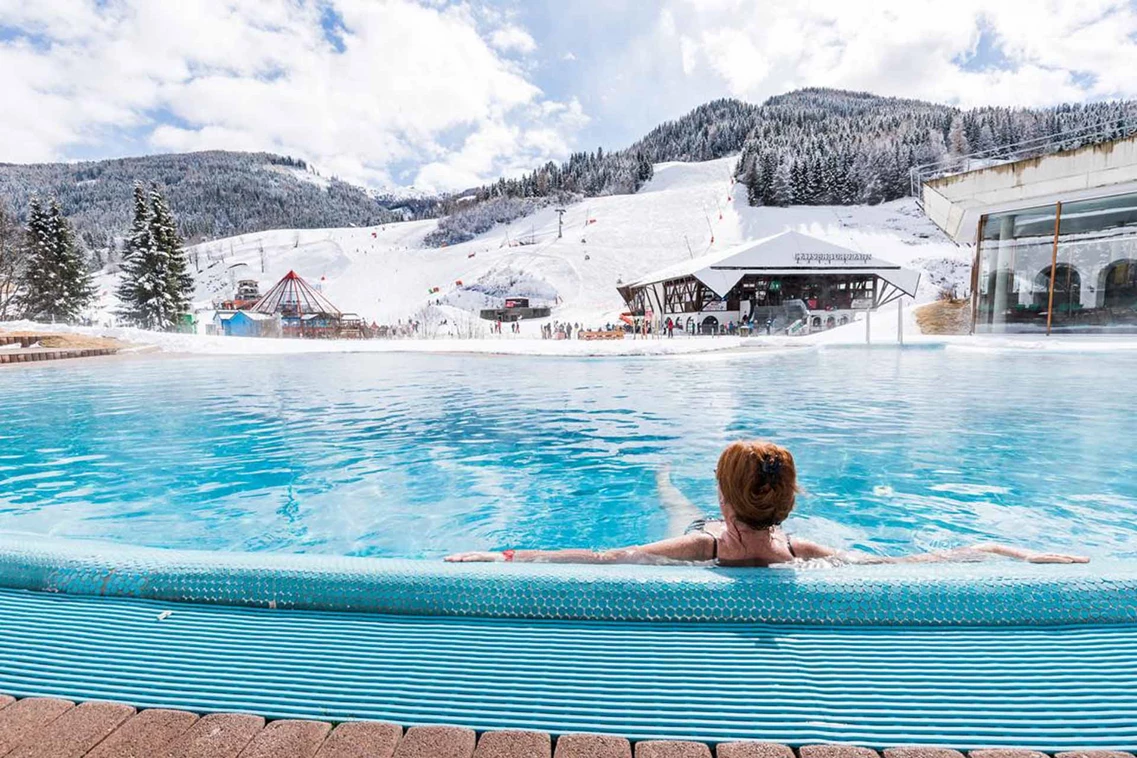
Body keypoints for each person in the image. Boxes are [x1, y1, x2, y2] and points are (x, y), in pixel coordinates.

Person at [446, 440, 1089, 567]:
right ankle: (666, 480)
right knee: (677, 504)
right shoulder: (801, 549)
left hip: (701, 532)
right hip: (746, 527)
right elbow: (920, 560)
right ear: (784, 505)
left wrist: (505, 554)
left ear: (728, 504)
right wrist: (1014, 550)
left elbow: (602, 556)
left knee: (673, 506)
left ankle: (663, 477)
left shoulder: (701, 545)